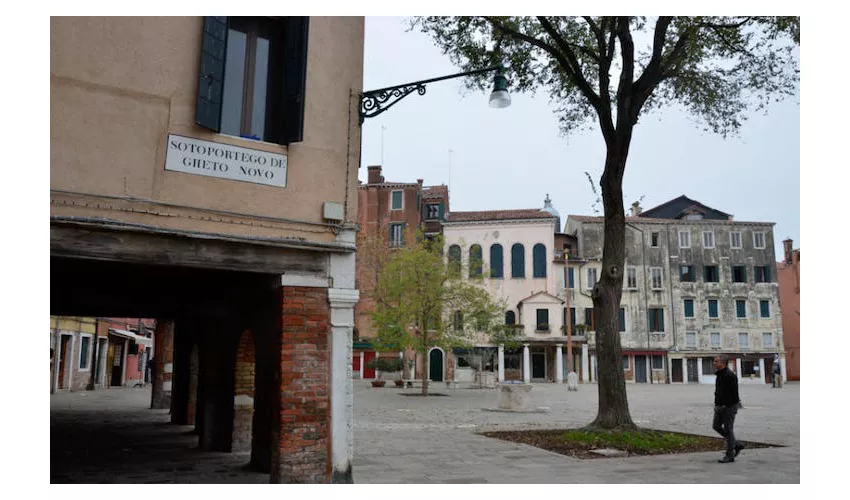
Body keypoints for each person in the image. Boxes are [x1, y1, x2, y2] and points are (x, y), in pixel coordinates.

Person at [713, 355, 744, 463]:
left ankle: (730, 455)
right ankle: (736, 444)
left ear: (723, 363)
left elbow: (734, 394)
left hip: (729, 406)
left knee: (728, 429)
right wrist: (717, 404)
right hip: (719, 406)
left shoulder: (730, 375)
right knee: (716, 426)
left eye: (716, 361)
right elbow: (719, 392)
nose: (714, 363)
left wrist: (725, 405)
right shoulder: (719, 374)